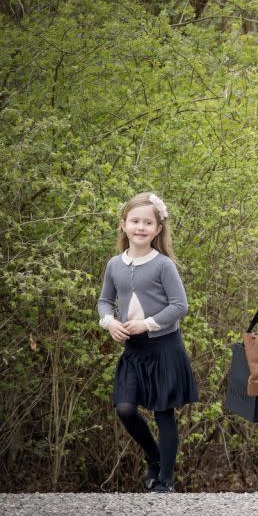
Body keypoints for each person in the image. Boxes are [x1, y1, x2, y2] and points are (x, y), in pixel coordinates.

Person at [97, 193, 198, 493]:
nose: (140, 227)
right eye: (135, 221)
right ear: (124, 225)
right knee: (125, 408)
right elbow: (105, 301)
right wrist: (110, 321)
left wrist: (147, 324)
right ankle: (153, 457)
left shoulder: (163, 265)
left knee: (163, 412)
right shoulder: (115, 264)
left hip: (164, 347)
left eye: (148, 223)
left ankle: (165, 479)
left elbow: (180, 305)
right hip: (134, 350)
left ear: (157, 229)